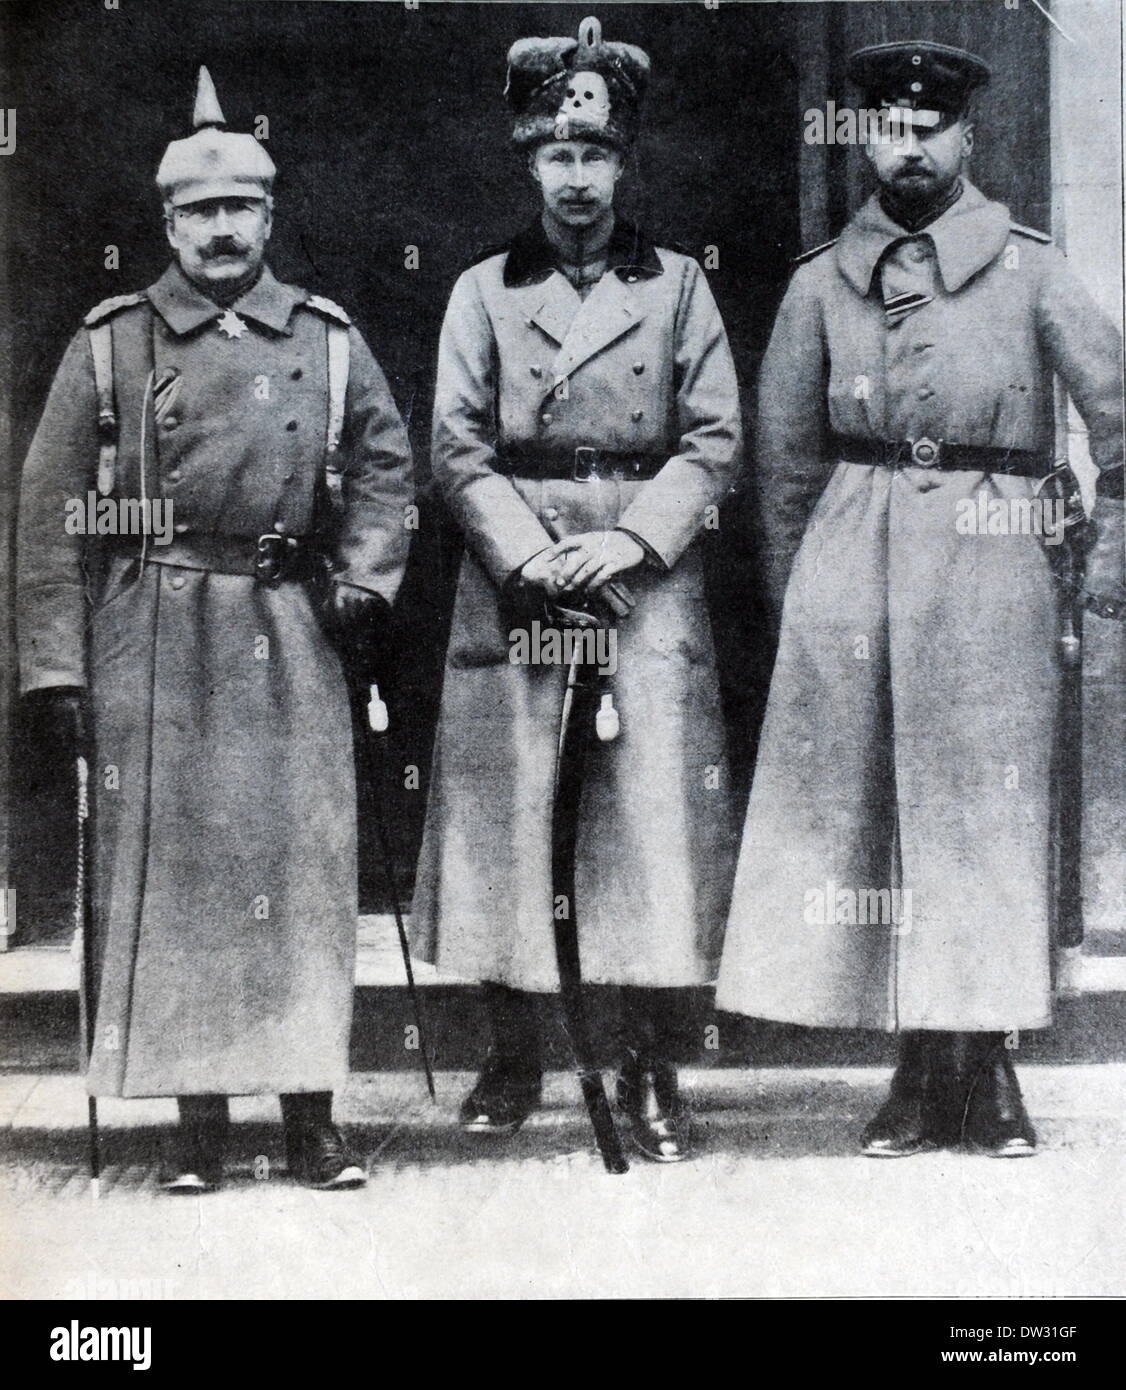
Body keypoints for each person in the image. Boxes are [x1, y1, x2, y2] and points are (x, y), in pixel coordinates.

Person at [716, 41, 1124, 1157]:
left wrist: (1109, 557)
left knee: (983, 816)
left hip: (991, 559)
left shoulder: (1030, 268)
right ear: (864, 143)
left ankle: (985, 1064)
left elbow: (1118, 413)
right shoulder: (817, 282)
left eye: (928, 130)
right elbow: (785, 462)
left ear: (965, 141)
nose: (908, 149)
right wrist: (806, 597)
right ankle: (911, 1067)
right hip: (852, 567)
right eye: (887, 131)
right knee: (876, 817)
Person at [16, 68, 414, 1191]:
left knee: (299, 871)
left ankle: (309, 1117)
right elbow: (48, 516)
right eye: (200, 212)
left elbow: (388, 473)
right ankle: (198, 1122)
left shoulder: (326, 338)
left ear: (270, 219)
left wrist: (366, 581)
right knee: (181, 878)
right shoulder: (112, 342)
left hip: (289, 624)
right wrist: (57, 664)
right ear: (168, 225)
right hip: (154, 628)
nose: (222, 230)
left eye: (241, 208)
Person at [411, 16, 742, 1162]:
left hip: (644, 583)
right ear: (528, 160)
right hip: (521, 585)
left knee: (647, 820)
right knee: (511, 813)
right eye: (557, 155)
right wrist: (530, 553)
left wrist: (635, 542)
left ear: (623, 164)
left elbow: (714, 442)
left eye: (596, 156)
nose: (578, 177)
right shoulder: (481, 292)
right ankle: (514, 1054)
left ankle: (650, 1065)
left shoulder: (683, 289)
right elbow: (453, 446)